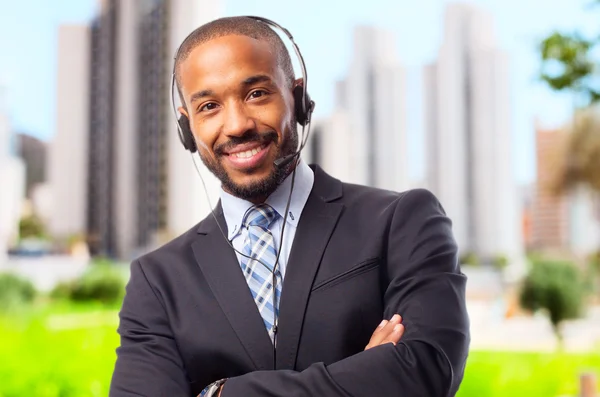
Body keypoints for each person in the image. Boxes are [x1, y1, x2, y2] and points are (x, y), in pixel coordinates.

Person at [110, 16, 470, 397]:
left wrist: (219, 394)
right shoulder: (157, 280)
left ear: (297, 98)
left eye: (256, 94)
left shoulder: (403, 221)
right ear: (187, 127)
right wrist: (366, 374)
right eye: (210, 105)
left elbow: (425, 371)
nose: (236, 125)